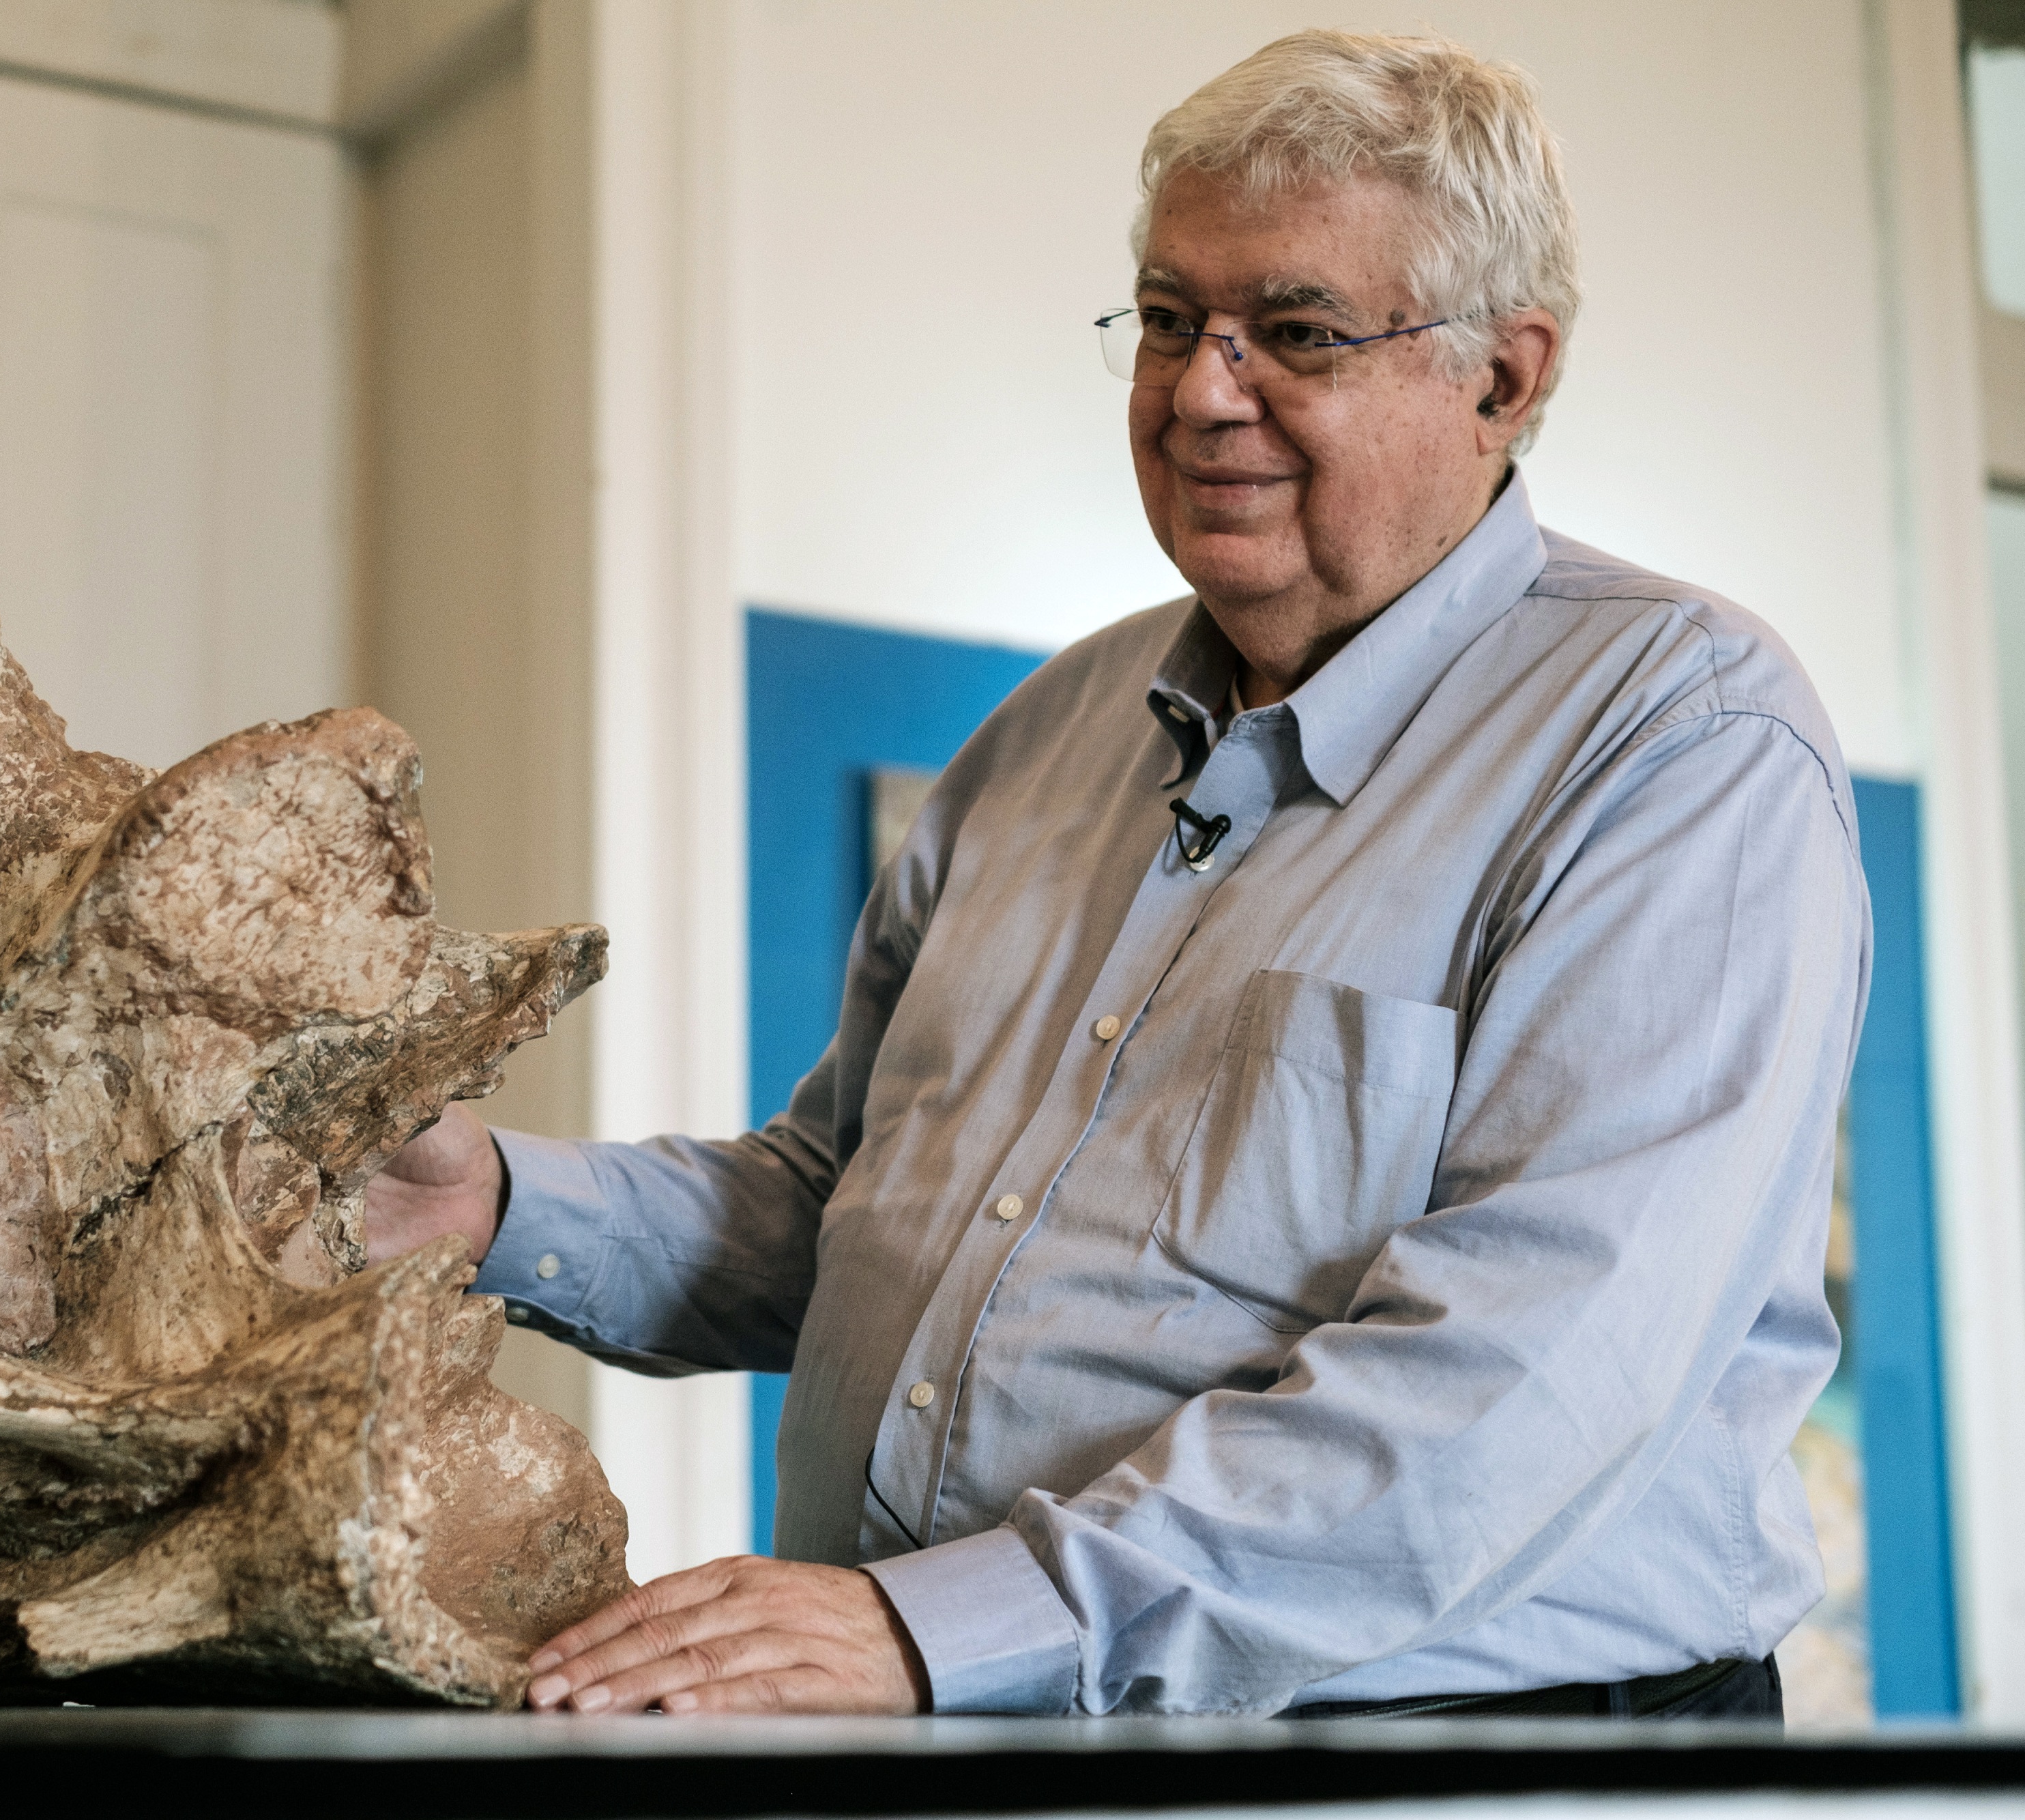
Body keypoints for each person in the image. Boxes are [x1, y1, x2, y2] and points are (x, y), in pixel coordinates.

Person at [366, 29, 1856, 1722]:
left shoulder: (1683, 740)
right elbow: (839, 1211)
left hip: (1432, 1765)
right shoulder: (1046, 734)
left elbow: (1526, 1372)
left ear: (1502, 378)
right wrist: (485, 1202)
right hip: (974, 1728)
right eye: (1165, 322)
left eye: (1291, 332)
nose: (1200, 391)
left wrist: (941, 1630)